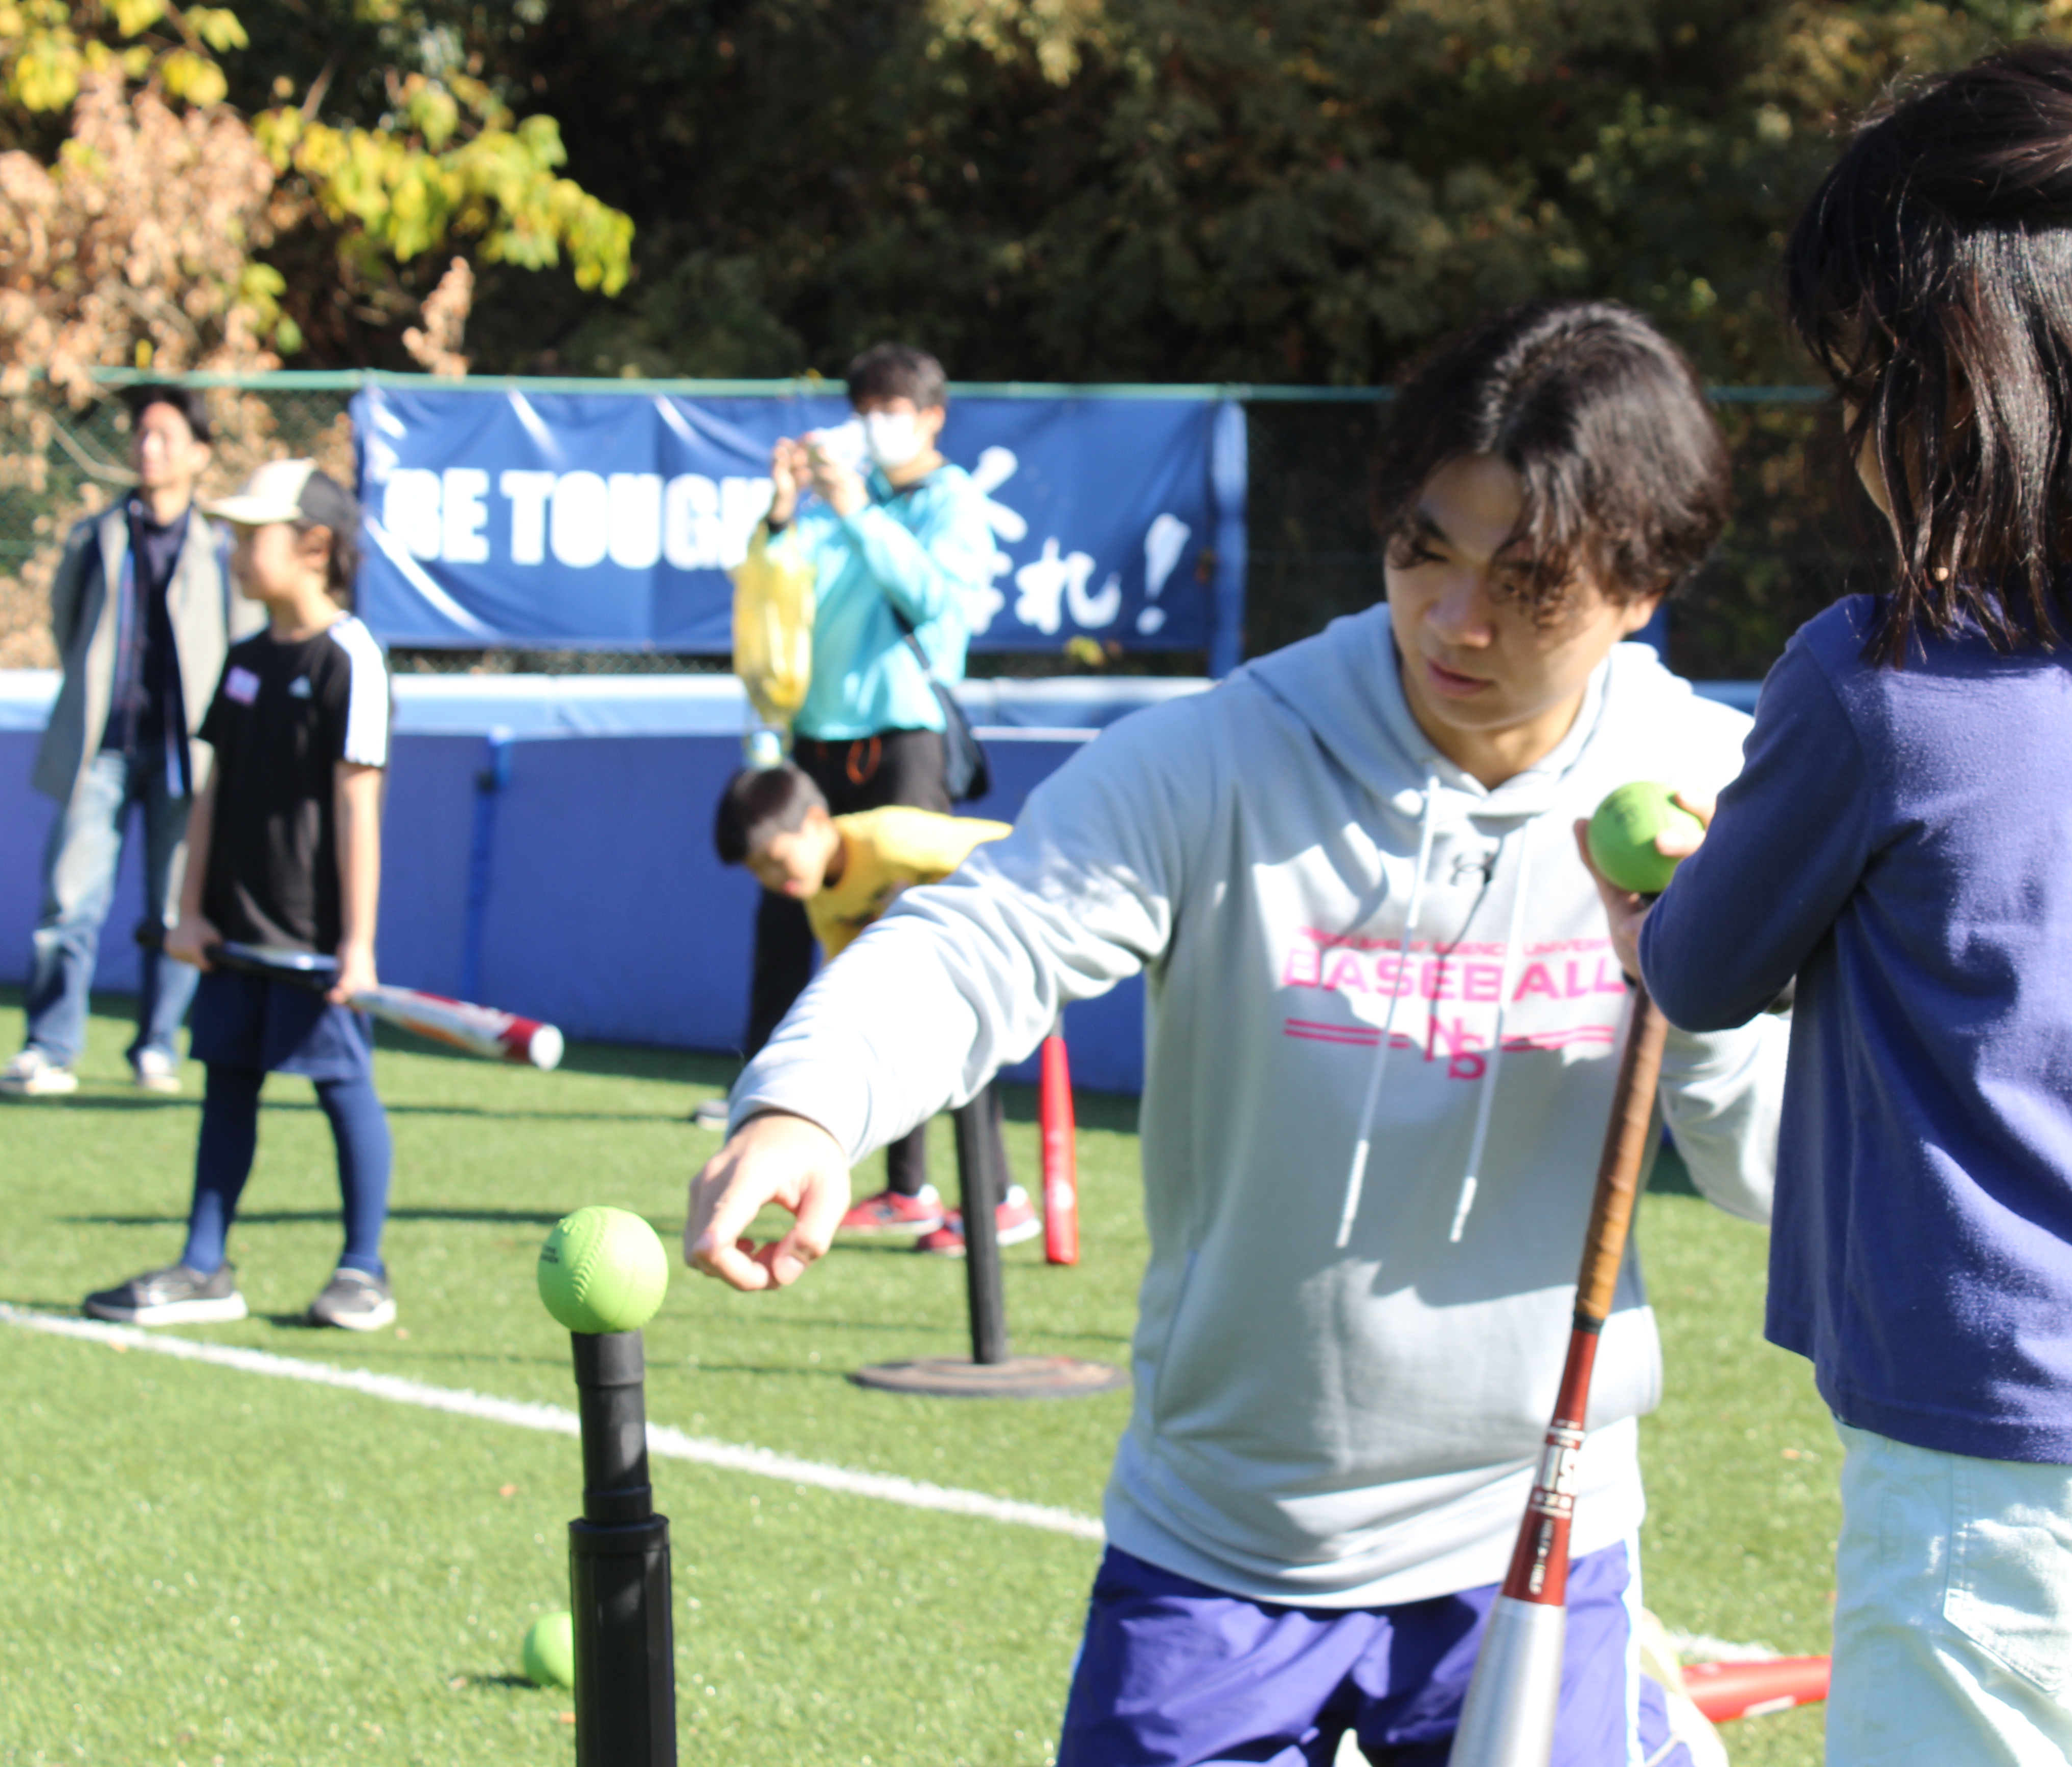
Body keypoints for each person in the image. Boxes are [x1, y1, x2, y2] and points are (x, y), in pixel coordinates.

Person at [686, 300, 1786, 1765]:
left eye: (1526, 583)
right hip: (1221, 1546)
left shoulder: (1720, 787)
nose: (1456, 621)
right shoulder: (1220, 759)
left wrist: (1693, 980)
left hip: (1538, 1543)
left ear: (1642, 587)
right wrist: (813, 1102)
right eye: (1425, 550)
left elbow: (1774, 1165)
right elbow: (986, 934)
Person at [1621, 48, 2072, 1765]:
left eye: (1866, 375)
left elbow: (1705, 969)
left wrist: (1652, 874)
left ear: (1956, 387)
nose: (1850, 423)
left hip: (2002, 1462)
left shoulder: (1870, 680)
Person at [83, 460, 400, 1332]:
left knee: (344, 1087)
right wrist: (192, 911)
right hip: (234, 931)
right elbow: (213, 792)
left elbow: (356, 804)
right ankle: (203, 1265)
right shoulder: (246, 657)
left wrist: (358, 944)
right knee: (227, 1085)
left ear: (313, 547)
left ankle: (363, 1270)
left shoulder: (351, 659)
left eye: (252, 532)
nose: (233, 544)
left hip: (314, 941)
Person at [729, 342, 999, 1239]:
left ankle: (927, 1180)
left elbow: (935, 601)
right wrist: (782, 510)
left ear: (931, 417)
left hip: (904, 740)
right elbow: (778, 597)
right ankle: (765, 1110)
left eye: (893, 408)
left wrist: (855, 512)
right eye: (864, 408)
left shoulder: (951, 502)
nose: (875, 424)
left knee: (913, 947)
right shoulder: (842, 500)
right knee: (788, 923)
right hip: (817, 742)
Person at [0, 385, 255, 1097]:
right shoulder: (95, 535)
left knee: (175, 908)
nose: (148, 447)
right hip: (99, 749)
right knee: (68, 901)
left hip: (184, 757)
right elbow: (66, 626)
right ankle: (49, 1048)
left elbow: (239, 649)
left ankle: (158, 1047)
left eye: (166, 436)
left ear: (199, 454)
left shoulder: (222, 547)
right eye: (141, 434)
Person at [712, 762, 1030, 1253]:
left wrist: (937, 896)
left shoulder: (890, 841)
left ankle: (1001, 1204)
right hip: (937, 980)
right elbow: (847, 971)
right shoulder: (819, 895)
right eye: (759, 872)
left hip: (1009, 944)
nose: (774, 879)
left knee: (967, 1058)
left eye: (775, 859)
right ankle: (913, 1196)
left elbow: (1011, 847)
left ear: (817, 824)